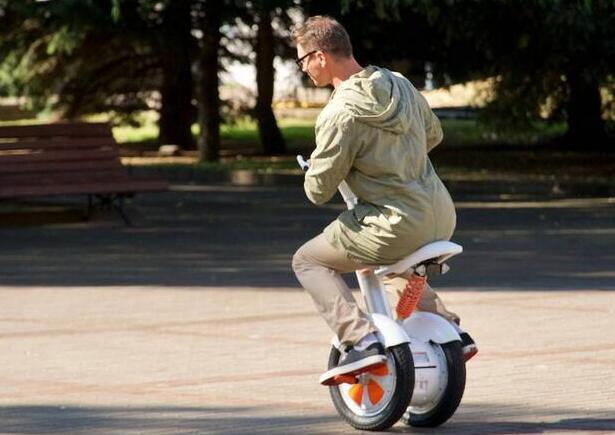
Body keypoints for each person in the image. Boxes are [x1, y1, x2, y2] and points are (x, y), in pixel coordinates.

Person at [290, 16, 477, 385]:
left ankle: (359, 340)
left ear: (321, 56)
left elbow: (318, 191)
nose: (302, 68)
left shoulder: (339, 113)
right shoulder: (400, 84)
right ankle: (448, 329)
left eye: (302, 60)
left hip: (393, 223)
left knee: (308, 260)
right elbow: (432, 135)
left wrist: (318, 169)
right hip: (439, 213)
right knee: (390, 262)